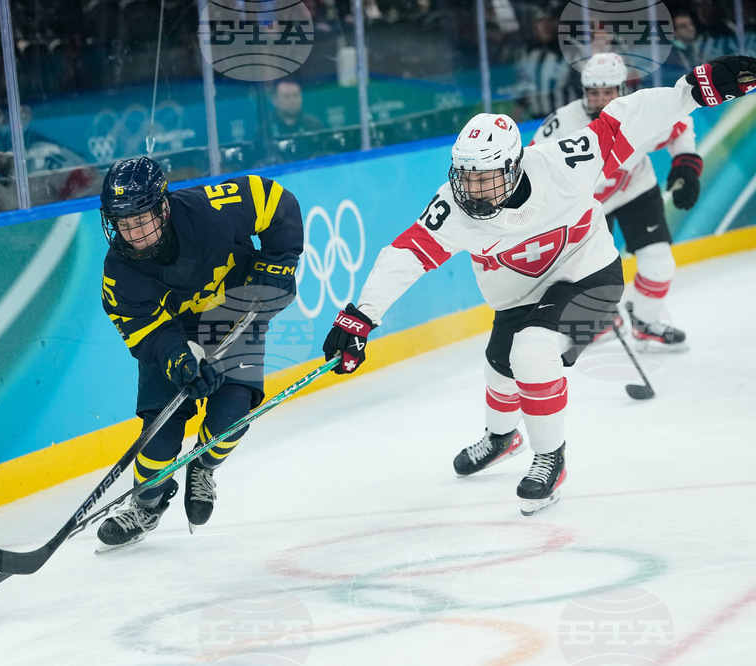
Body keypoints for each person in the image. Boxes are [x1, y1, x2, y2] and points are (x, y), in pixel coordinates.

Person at [322, 55, 755, 516]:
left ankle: (550, 458)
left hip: (589, 276)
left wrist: (691, 89)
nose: (473, 190)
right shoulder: (454, 205)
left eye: (485, 179)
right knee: (499, 364)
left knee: (532, 352)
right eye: (465, 178)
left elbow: (632, 116)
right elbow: (407, 254)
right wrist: (361, 316)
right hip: (520, 296)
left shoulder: (563, 165)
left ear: (512, 168)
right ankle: (502, 436)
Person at [96, 156, 303, 549]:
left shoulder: (212, 210)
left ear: (164, 206)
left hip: (235, 313)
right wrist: (178, 360)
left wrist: (281, 260)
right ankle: (146, 505)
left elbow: (276, 200)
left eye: (141, 221)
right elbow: (146, 331)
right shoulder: (118, 272)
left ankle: (203, 467)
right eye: (124, 225)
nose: (134, 235)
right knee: (159, 438)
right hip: (172, 336)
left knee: (231, 417)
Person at [530, 53, 700, 351]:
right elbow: (531, 165)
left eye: (608, 92)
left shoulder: (640, 112)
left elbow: (680, 128)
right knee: (590, 276)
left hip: (637, 189)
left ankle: (646, 323)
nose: (601, 99)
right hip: (588, 206)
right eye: (594, 93)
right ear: (584, 92)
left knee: (659, 261)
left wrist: (685, 164)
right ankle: (603, 320)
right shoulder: (563, 124)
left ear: (622, 89)